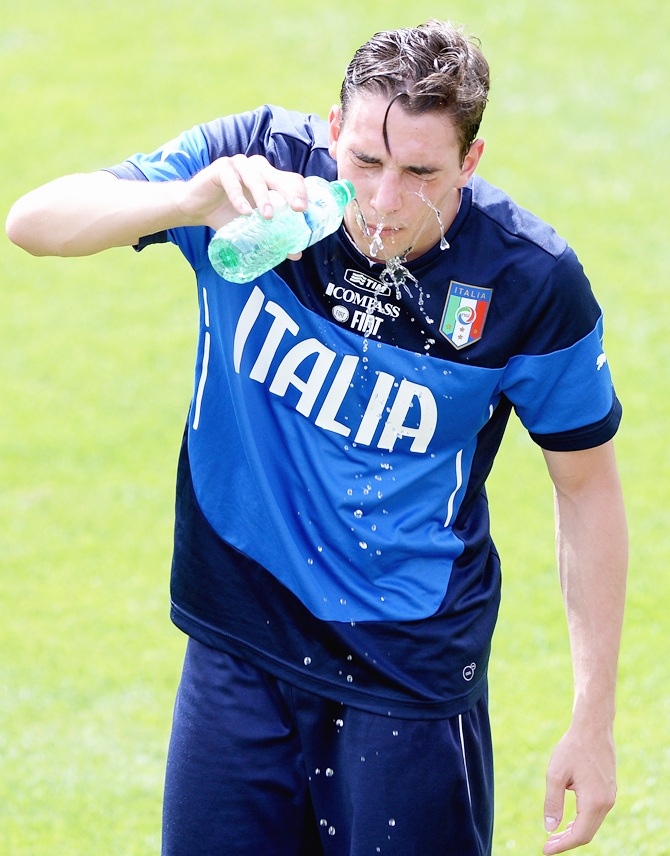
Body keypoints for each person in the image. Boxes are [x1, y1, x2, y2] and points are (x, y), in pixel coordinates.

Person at [6, 19, 627, 856]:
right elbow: (34, 222)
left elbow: (586, 486)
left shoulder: (529, 282)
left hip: (403, 674)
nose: (381, 202)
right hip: (237, 641)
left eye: (420, 173)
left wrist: (593, 722)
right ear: (330, 129)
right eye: (364, 161)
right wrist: (190, 200)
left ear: (470, 163)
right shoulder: (253, 171)